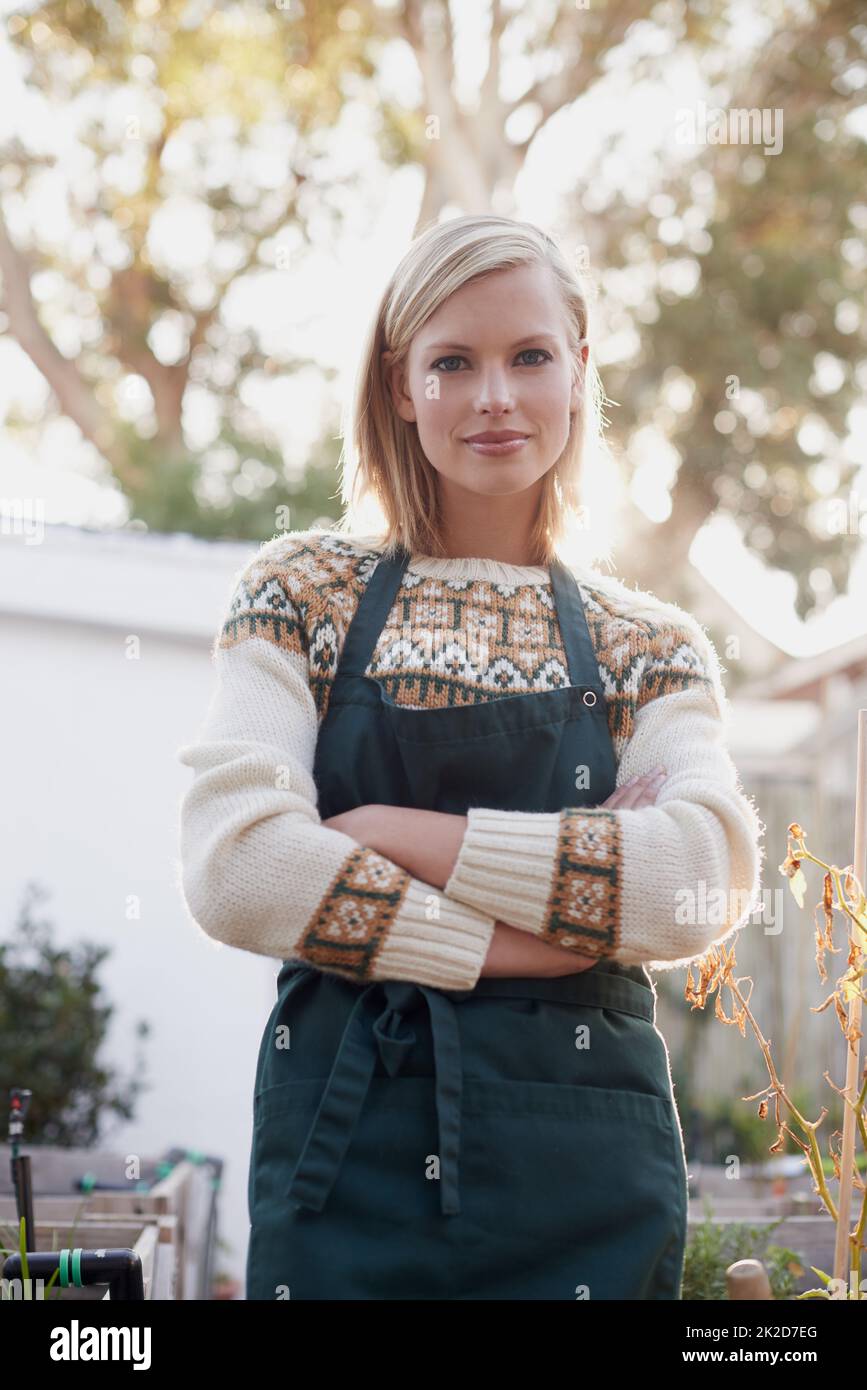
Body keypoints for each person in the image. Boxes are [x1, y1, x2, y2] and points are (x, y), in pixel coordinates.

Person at [177, 213, 763, 1301]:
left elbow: (698, 878)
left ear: (580, 370)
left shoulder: (650, 645)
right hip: (342, 1156)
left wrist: (393, 833)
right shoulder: (300, 592)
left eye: (529, 356)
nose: (495, 395)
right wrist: (532, 946)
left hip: (586, 1169)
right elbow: (236, 864)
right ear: (402, 386)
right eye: (454, 362)